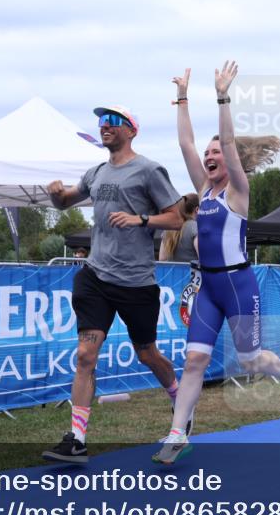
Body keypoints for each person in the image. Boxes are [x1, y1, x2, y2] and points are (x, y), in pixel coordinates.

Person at [155, 62, 280, 464]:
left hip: (238, 285)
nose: (208, 156)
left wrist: (222, 96)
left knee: (250, 359)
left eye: (215, 152)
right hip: (209, 288)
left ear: (230, 158)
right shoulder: (203, 189)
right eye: (208, 154)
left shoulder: (238, 190)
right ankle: (176, 433)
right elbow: (185, 144)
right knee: (195, 360)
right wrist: (182, 98)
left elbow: (231, 146)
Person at [44, 104, 184, 464]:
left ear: (131, 130)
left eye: (112, 122)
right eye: (102, 122)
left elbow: (177, 216)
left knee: (147, 354)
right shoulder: (96, 172)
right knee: (85, 354)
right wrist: (55, 195)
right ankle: (76, 440)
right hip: (95, 276)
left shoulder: (149, 170)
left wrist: (140, 219)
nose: (104, 126)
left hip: (136, 282)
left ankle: (179, 400)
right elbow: (64, 203)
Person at [158, 193, 200, 262]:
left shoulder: (168, 229)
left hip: (172, 272)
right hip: (192, 272)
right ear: (197, 209)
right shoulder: (195, 227)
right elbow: (203, 258)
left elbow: (162, 259)